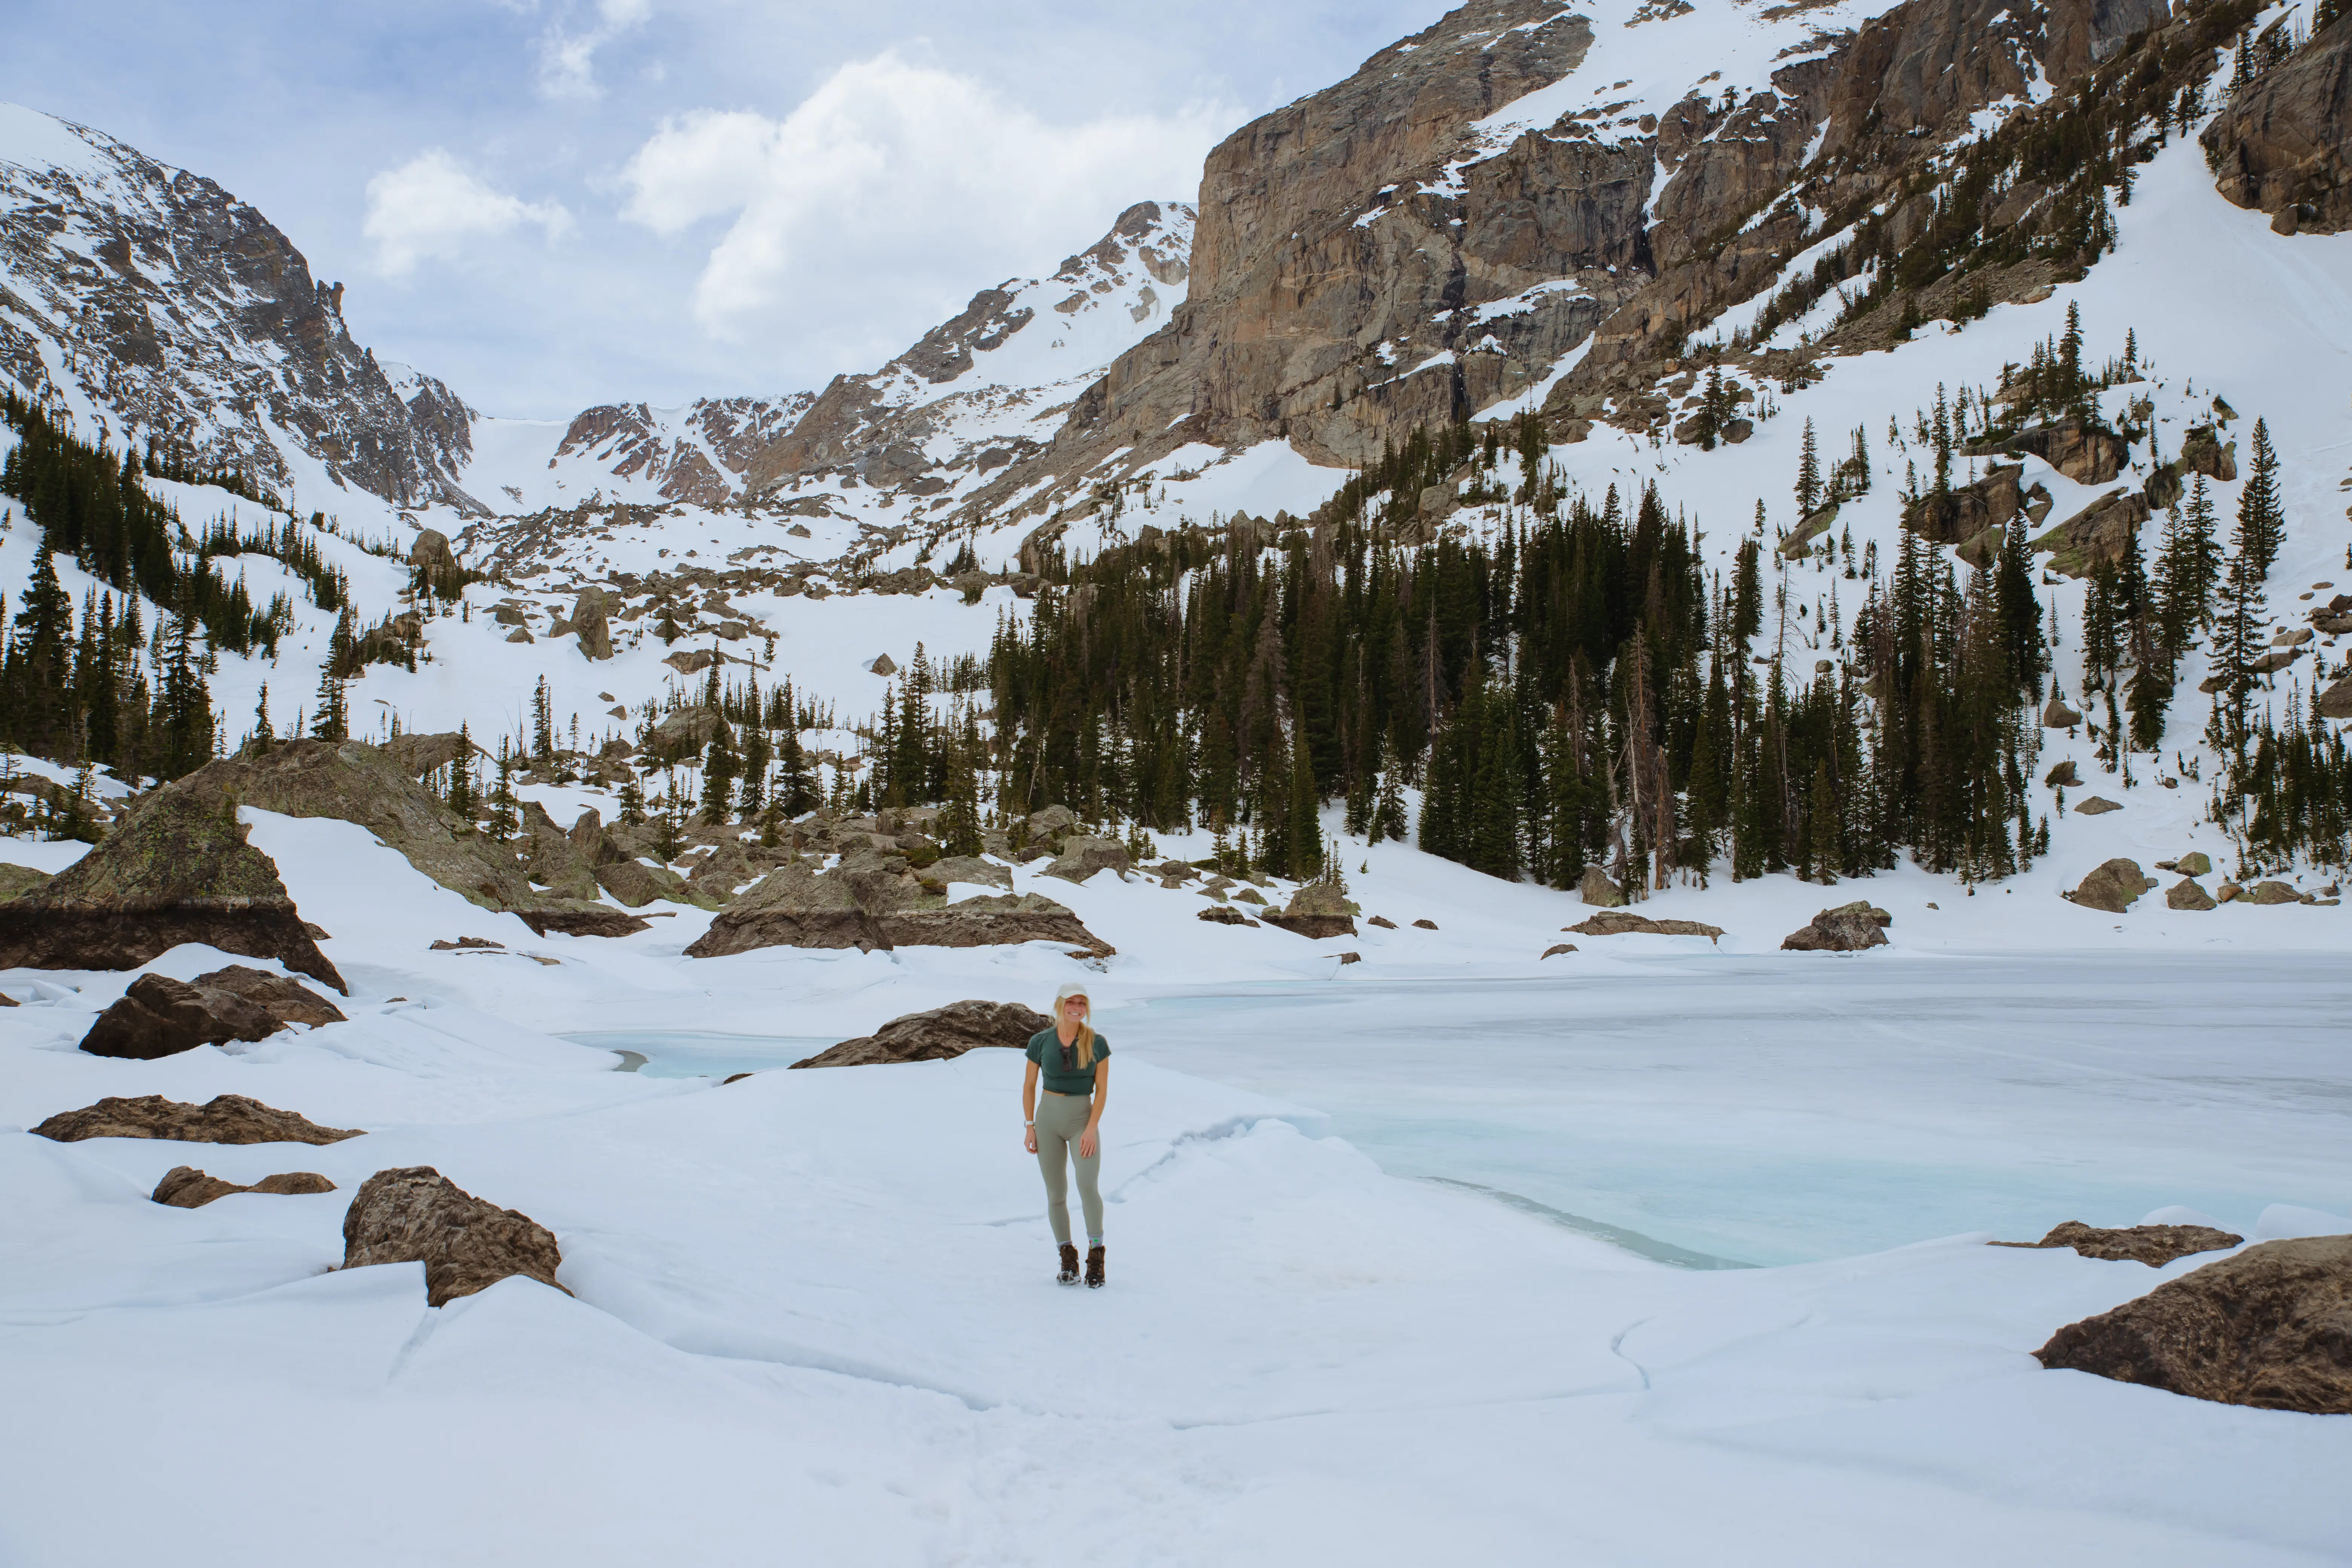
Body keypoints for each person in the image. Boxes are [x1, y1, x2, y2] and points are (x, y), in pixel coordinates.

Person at [1023, 978, 1109, 1287]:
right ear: (1060, 1005)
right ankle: (1067, 1257)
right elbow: (1029, 1086)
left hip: (1081, 1121)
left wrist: (1091, 1129)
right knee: (1056, 1193)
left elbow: (1102, 1092)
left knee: (1087, 1186)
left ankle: (1096, 1257)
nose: (1076, 1008)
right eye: (1071, 1002)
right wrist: (1030, 1127)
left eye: (1081, 1003)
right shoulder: (1040, 1041)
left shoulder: (1097, 1043)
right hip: (1047, 1121)